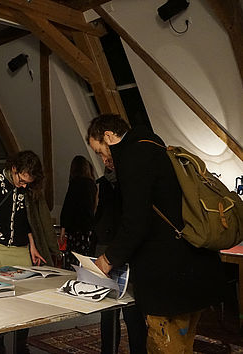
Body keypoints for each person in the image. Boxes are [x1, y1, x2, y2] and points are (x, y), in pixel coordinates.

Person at [86, 114, 223, 353]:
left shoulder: (133, 157)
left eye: (100, 151)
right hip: (194, 269)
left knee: (164, 347)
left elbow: (135, 221)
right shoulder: (155, 147)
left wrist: (108, 260)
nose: (103, 158)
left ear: (108, 136)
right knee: (183, 347)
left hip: (168, 278)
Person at [0, 150, 58, 354]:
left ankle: (22, 343)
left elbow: (26, 220)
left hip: (21, 247)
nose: (23, 185)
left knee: (27, 299)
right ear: (14, 169)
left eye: (27, 183)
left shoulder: (26, 188)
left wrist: (33, 245)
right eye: (21, 180)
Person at [95, 165, 147, 353]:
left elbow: (132, 222)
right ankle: (107, 350)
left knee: (132, 310)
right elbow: (101, 214)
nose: (106, 160)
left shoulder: (132, 183)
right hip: (106, 246)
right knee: (108, 310)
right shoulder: (103, 184)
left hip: (127, 252)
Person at [59, 155, 97, 270]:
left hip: (75, 229)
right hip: (88, 227)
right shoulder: (92, 184)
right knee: (86, 260)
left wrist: (63, 229)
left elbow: (67, 207)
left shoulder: (75, 183)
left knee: (73, 261)